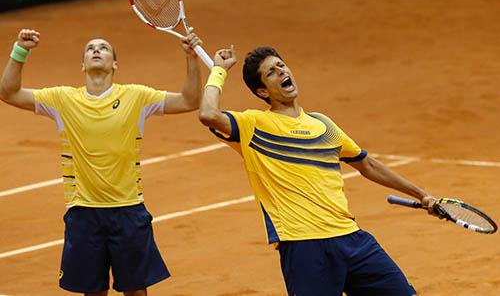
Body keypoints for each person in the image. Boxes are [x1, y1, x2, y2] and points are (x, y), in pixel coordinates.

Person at [199, 45, 438, 296]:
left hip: (351, 238)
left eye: (281, 65)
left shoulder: (323, 125)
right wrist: (218, 71)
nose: (280, 71)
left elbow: (367, 164)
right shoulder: (254, 125)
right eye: (271, 72)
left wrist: (422, 195)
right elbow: (208, 114)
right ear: (262, 91)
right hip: (304, 246)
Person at [0, 28, 204, 296]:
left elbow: (190, 100)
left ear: (115, 64)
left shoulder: (136, 96)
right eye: (90, 48)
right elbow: (8, 92)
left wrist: (191, 58)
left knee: (136, 291)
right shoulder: (62, 99)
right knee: (93, 291)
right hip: (83, 212)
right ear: (83, 65)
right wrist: (20, 51)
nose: (97, 50)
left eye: (104, 48)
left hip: (129, 210)